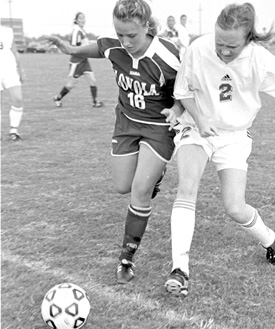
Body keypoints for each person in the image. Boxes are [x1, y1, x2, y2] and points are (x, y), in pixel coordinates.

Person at [46, 0, 182, 284]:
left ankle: (126, 259)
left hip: (158, 128)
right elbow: (95, 47)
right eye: (120, 34)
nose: (125, 41)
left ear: (147, 26)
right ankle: (154, 175)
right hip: (126, 124)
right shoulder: (113, 46)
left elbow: (188, 91)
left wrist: (177, 110)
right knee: (122, 186)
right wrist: (68, 48)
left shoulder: (169, 56)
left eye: (131, 35)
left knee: (139, 191)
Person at [164, 3, 275, 297]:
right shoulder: (198, 49)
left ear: (249, 39)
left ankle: (270, 241)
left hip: (235, 136)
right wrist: (200, 121)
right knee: (187, 188)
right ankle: (180, 269)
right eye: (219, 43)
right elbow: (183, 91)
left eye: (233, 46)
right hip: (197, 126)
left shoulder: (261, 60)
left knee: (235, 208)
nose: (224, 51)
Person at [53, 12, 103, 108]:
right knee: (71, 84)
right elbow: (74, 47)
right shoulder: (76, 30)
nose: (83, 20)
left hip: (84, 61)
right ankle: (58, 98)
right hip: (76, 62)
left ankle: (95, 102)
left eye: (84, 18)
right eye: (80, 18)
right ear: (76, 20)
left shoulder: (81, 30)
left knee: (93, 81)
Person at [0, 25, 24, 141]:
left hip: (9, 70)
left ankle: (14, 130)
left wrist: (21, 71)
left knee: (18, 99)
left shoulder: (7, 31)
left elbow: (14, 51)